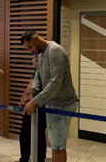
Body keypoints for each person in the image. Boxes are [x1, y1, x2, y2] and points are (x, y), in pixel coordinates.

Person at [21, 31, 78, 162]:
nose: (30, 51)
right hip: (52, 103)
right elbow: (38, 76)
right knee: (54, 143)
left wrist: (35, 101)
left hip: (62, 104)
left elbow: (55, 83)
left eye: (30, 47)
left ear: (36, 39)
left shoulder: (55, 51)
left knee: (58, 146)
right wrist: (31, 95)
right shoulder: (40, 53)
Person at [18, 54, 47, 162]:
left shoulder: (42, 72)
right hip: (33, 105)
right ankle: (35, 159)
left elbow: (31, 90)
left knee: (29, 134)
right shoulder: (37, 72)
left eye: (34, 58)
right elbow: (28, 89)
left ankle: (26, 159)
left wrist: (26, 101)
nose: (32, 59)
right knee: (36, 134)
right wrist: (23, 101)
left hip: (37, 107)